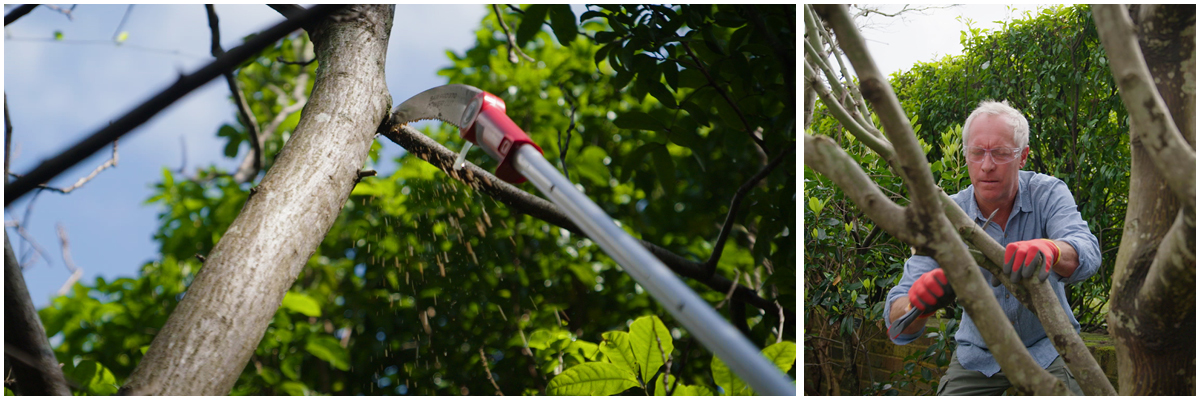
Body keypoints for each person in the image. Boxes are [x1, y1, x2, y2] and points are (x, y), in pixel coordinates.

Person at [884, 100, 1100, 395]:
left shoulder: (1047, 193)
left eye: (1000, 153)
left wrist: (1052, 250)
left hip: (1048, 349)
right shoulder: (944, 216)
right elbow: (897, 326)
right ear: (967, 155)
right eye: (977, 153)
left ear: (1022, 156)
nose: (987, 165)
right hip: (978, 359)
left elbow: (1086, 252)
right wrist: (915, 306)